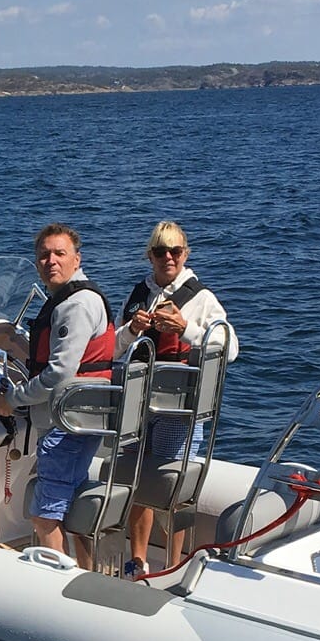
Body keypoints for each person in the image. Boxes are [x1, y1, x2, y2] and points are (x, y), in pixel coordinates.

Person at [118, 219, 238, 576]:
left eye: (174, 251)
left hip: (179, 408)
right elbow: (115, 346)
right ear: (150, 255)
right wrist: (132, 330)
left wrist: (186, 329)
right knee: (136, 482)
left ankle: (174, 564)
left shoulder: (202, 299)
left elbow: (230, 348)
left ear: (185, 254)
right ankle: (137, 560)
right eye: (160, 251)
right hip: (138, 404)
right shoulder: (138, 294)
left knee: (173, 486)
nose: (167, 257)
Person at [0, 224, 115, 567]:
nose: (51, 261)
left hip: (67, 422)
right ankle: (89, 575)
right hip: (84, 416)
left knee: (44, 516)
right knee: (71, 507)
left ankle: (60, 586)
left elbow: (59, 372)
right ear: (36, 263)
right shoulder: (80, 298)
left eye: (60, 253)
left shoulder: (74, 305)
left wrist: (12, 399)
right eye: (44, 255)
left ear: (77, 259)